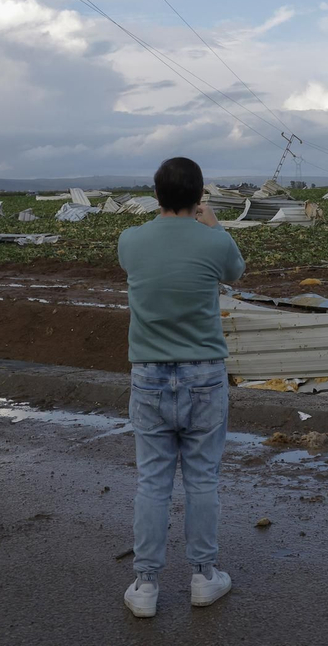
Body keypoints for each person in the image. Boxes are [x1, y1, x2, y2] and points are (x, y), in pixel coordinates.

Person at [116, 156, 245, 618]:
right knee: (202, 479)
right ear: (198, 197)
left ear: (156, 195)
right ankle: (205, 577)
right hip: (204, 375)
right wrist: (211, 224)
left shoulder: (130, 241)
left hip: (149, 375)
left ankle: (146, 585)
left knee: (152, 481)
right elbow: (235, 272)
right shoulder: (216, 241)